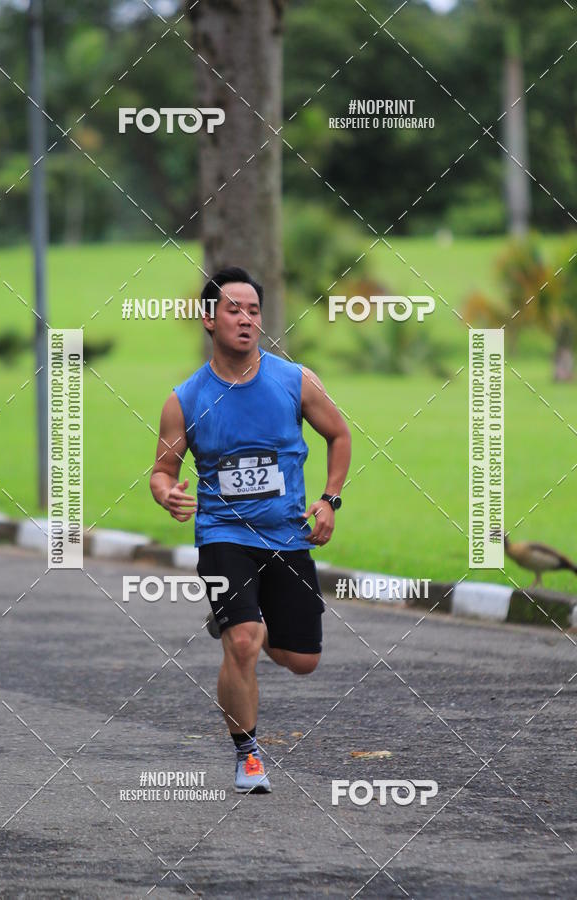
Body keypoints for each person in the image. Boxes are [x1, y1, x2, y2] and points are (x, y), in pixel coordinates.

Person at [150, 266, 351, 793]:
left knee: (301, 660)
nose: (245, 319)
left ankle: (241, 621)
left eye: (254, 311)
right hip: (222, 535)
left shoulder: (293, 380)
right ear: (209, 320)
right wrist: (167, 493)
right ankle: (248, 755)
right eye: (233, 310)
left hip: (287, 535)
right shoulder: (186, 399)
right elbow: (162, 471)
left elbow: (340, 434)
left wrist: (329, 499)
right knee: (244, 642)